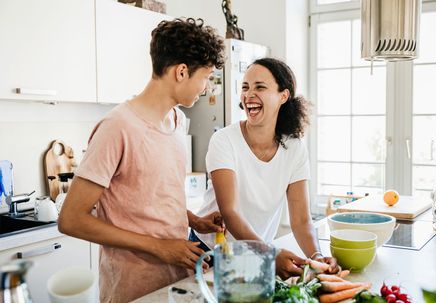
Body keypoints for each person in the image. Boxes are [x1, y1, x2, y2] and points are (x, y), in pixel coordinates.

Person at [58, 18, 226, 302]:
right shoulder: (118, 127)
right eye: (206, 77)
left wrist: (193, 221)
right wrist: (160, 247)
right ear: (182, 72)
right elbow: (71, 219)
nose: (206, 87)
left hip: (177, 279)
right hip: (132, 288)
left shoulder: (177, 122)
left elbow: (148, 198)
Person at [191, 57, 339, 278]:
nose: (249, 94)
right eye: (245, 87)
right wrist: (269, 253)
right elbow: (230, 213)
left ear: (283, 96)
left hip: (256, 253)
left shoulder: (294, 148)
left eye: (260, 87)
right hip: (210, 252)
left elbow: (301, 220)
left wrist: (316, 256)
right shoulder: (224, 140)